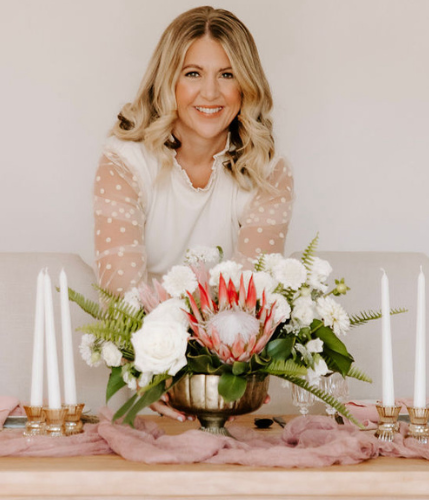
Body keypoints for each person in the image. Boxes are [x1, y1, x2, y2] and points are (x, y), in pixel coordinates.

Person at [93, 6, 294, 419]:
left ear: (246, 85)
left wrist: (230, 376)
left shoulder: (269, 172)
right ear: (167, 82)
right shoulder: (124, 162)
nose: (210, 94)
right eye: (192, 73)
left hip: (226, 380)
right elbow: (122, 291)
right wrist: (152, 371)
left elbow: (251, 300)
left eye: (227, 74)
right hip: (143, 378)